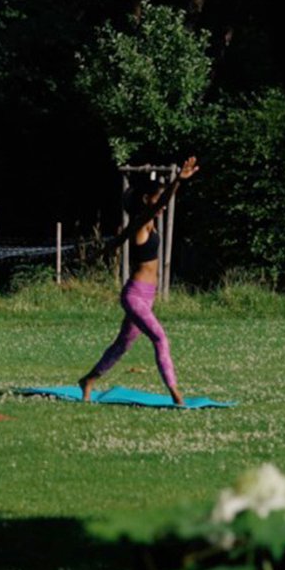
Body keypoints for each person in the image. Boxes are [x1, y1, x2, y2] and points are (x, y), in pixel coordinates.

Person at [80, 156, 199, 406]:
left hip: (148, 295)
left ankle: (88, 380)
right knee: (160, 338)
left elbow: (118, 239)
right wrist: (177, 180)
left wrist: (99, 253)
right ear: (147, 200)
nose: (163, 206)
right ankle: (175, 392)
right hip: (134, 296)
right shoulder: (143, 223)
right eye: (158, 199)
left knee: (121, 345)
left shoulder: (142, 225)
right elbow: (162, 204)